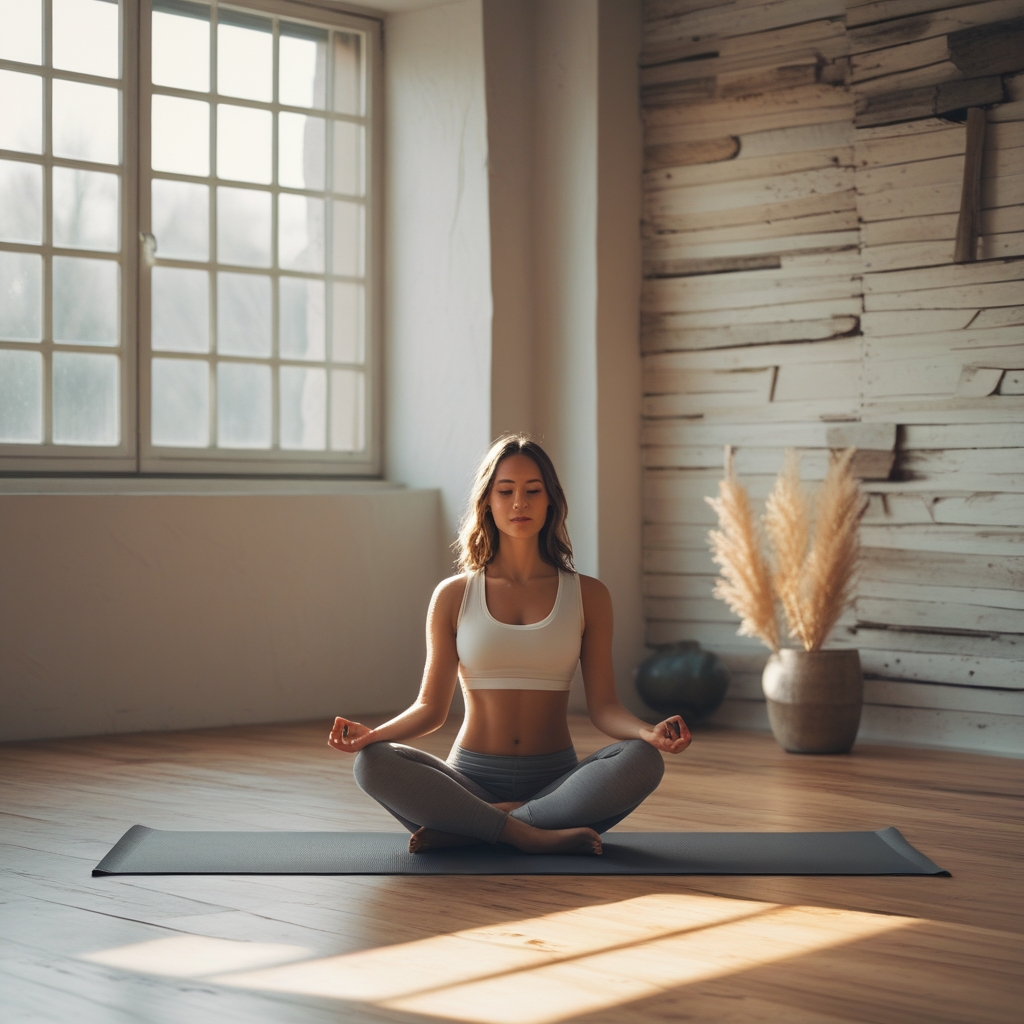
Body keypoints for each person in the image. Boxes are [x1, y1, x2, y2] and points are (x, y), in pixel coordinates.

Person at [329, 435, 691, 856]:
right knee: (372, 763)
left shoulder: (589, 595)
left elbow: (604, 707)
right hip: (469, 778)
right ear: (487, 501)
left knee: (644, 760)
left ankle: (476, 825)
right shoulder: (454, 594)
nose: (520, 502)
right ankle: (529, 832)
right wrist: (372, 736)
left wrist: (649, 733)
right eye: (506, 491)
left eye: (533, 491)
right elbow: (430, 709)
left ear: (550, 500)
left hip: (556, 782)